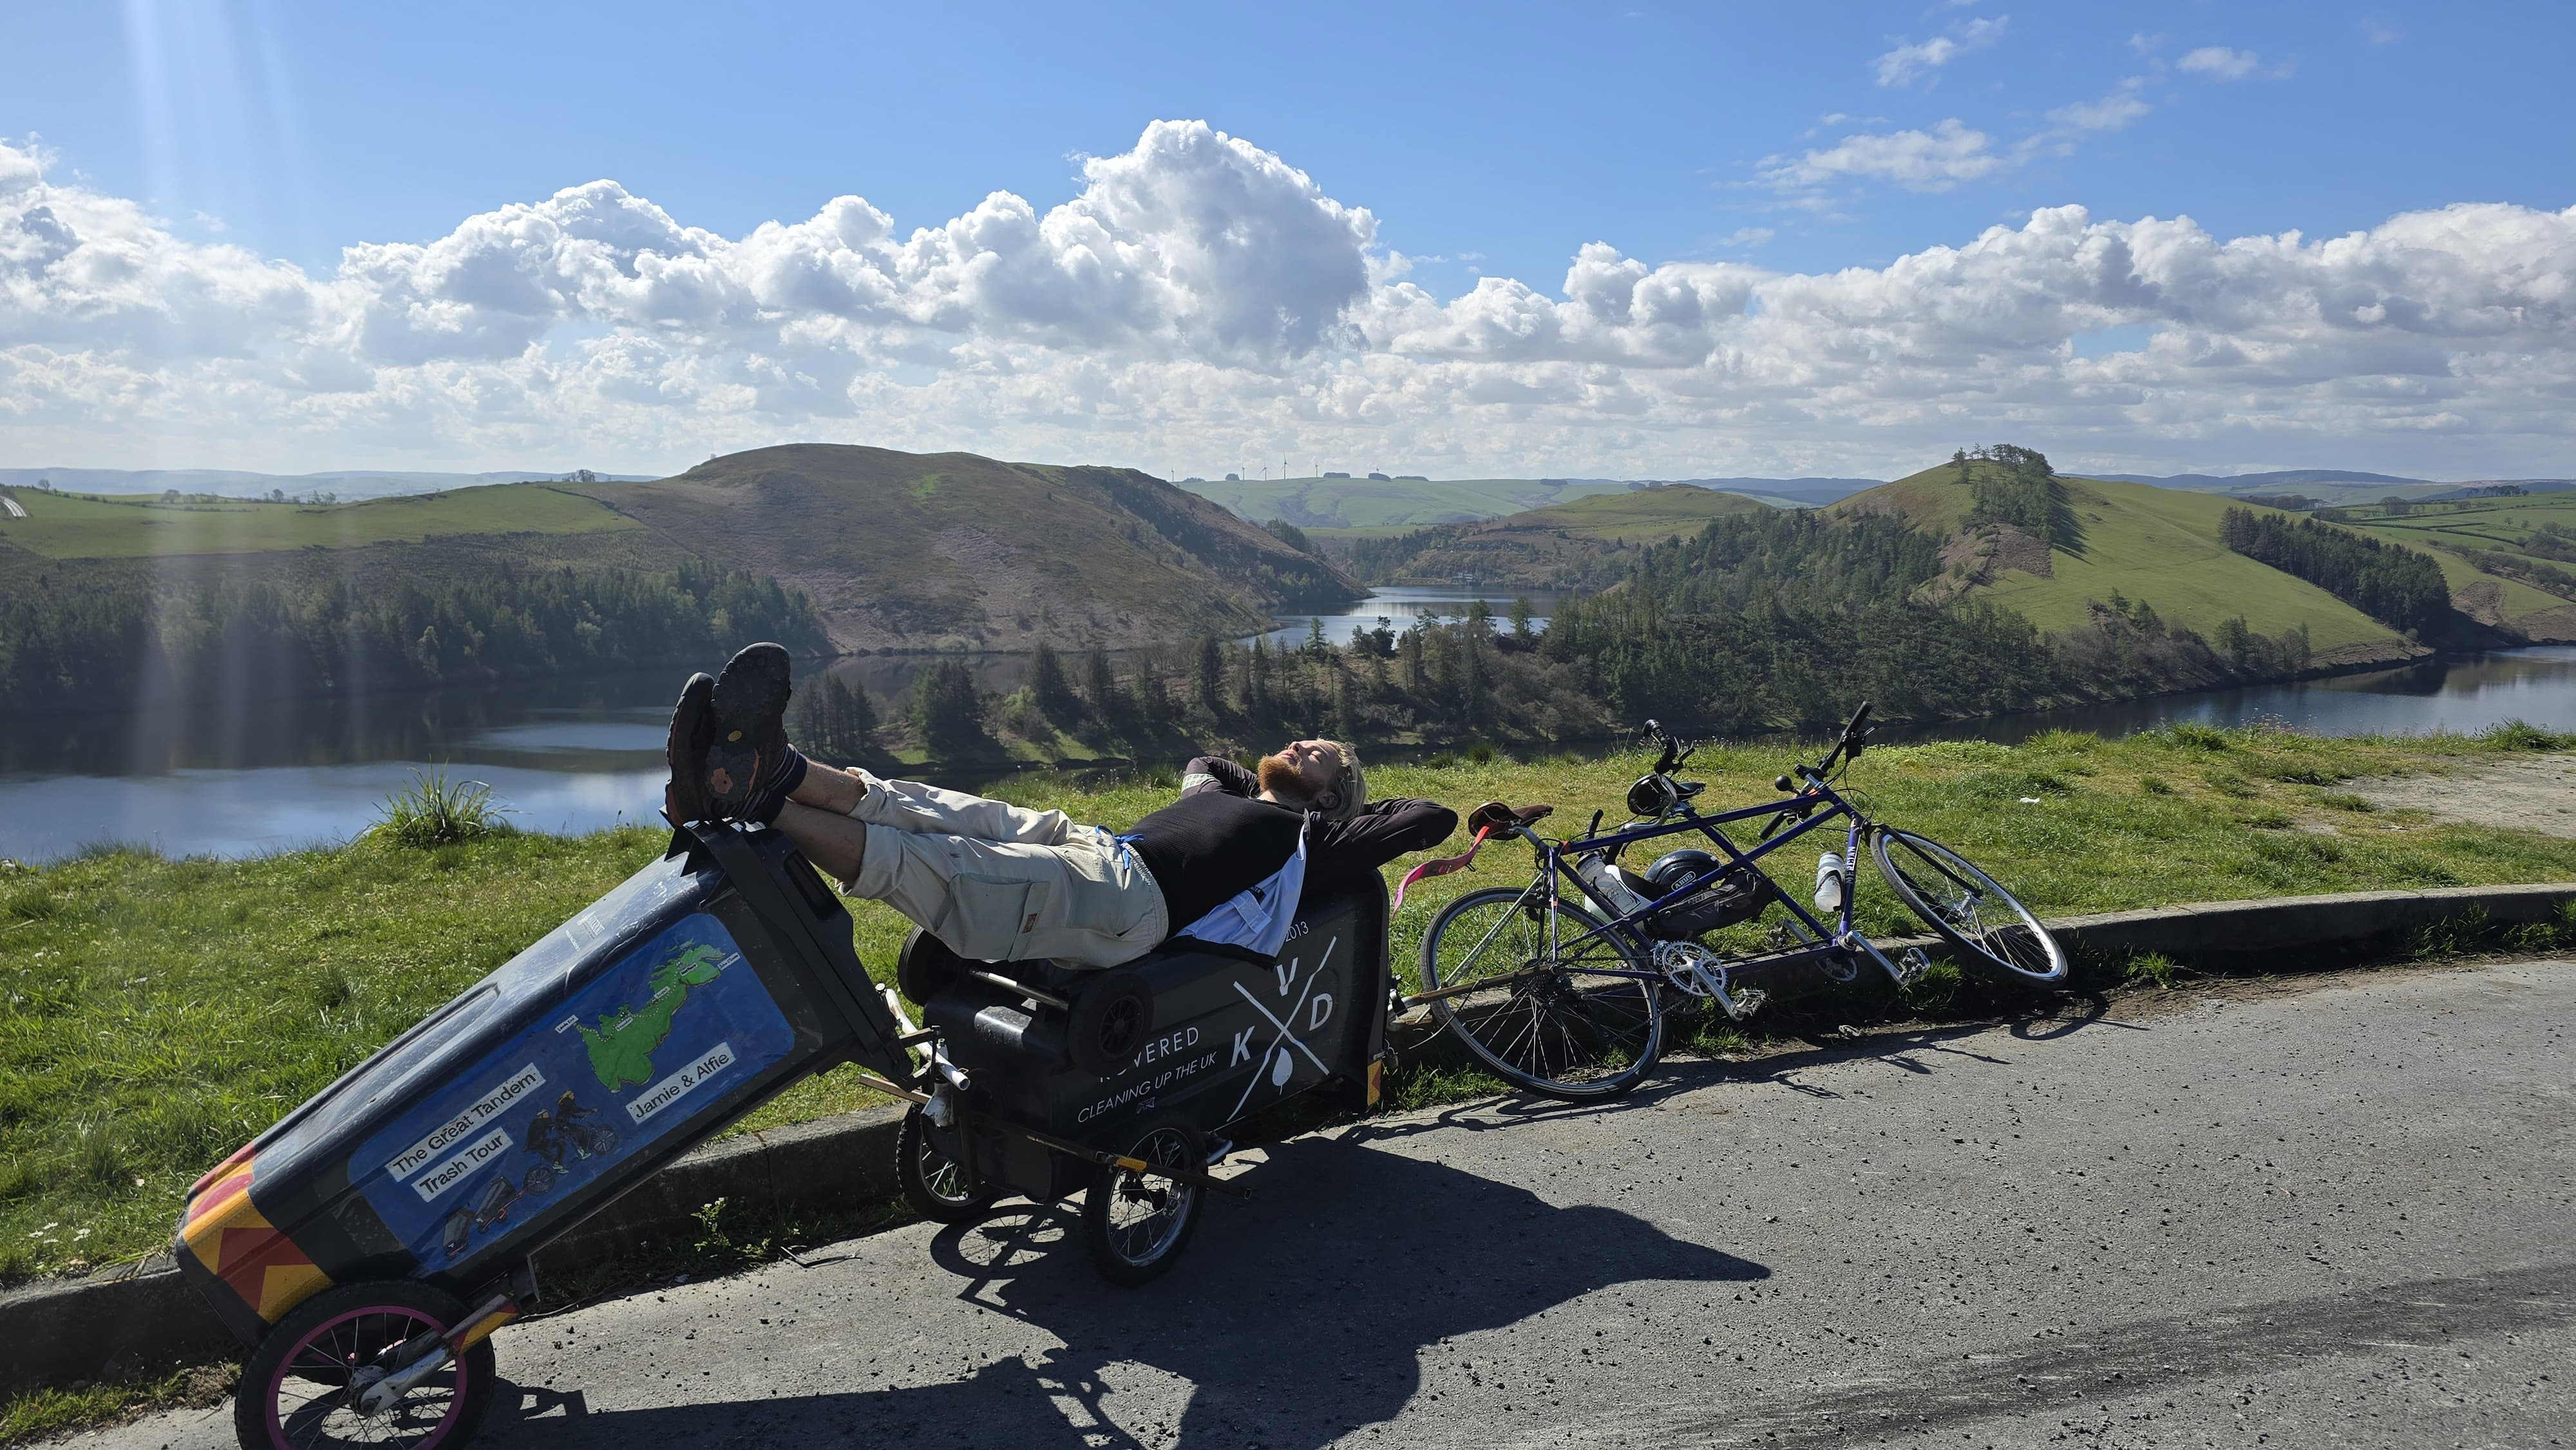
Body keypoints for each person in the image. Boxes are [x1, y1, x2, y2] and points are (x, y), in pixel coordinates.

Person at [665, 644, 1457, 967]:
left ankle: (757, 801)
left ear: (1326, 794)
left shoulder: (1307, 841)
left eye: (1315, 751)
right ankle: (775, 762)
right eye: (1304, 737)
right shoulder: (1228, 790)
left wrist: (1335, 809)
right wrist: (1261, 782)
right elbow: (1203, 761)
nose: (1298, 741)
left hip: (1129, 902)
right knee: (921, 804)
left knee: (951, 863)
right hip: (1096, 845)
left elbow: (1428, 818)